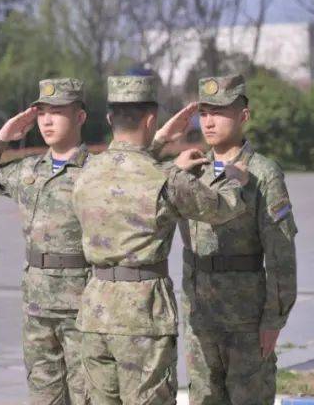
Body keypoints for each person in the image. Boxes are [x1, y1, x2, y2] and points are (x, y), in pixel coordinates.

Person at [71, 74, 246, 404]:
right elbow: (222, 208)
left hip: (94, 311)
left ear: (110, 119)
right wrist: (235, 178)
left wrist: (161, 142)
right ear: (151, 119)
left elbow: (125, 162)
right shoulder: (165, 179)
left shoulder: (86, 172)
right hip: (143, 314)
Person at [0, 78, 91, 404]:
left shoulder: (97, 172)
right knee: (43, 396)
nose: (47, 121)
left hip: (85, 304)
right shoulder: (27, 172)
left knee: (87, 395)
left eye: (57, 112)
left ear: (79, 117)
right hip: (37, 305)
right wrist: (2, 137)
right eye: (42, 113)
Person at [179, 75, 298, 405]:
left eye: (219, 112)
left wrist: (274, 318)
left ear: (243, 116)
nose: (210, 121)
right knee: (203, 397)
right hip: (201, 316)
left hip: (246, 318)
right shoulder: (192, 170)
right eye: (203, 113)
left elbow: (280, 252)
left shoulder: (262, 173)